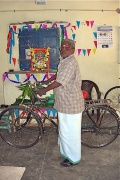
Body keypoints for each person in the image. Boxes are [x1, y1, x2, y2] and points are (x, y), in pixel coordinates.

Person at [38, 39, 85, 167]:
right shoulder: (64, 60)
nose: (63, 49)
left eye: (66, 47)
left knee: (71, 132)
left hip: (71, 103)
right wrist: (46, 81)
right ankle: (66, 152)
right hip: (64, 103)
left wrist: (44, 90)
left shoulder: (70, 63)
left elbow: (60, 81)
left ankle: (73, 158)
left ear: (72, 49)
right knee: (64, 129)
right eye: (61, 48)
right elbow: (58, 75)